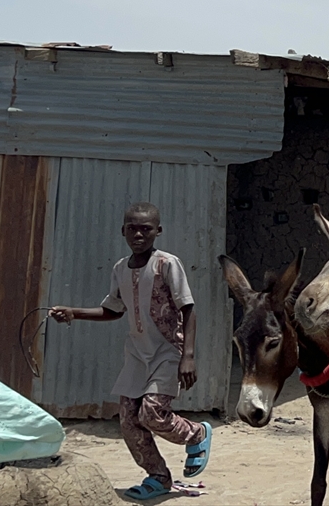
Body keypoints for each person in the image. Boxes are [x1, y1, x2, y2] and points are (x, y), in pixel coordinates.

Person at [49, 203, 211, 500]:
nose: (139, 234)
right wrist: (73, 312)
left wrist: (188, 355)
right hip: (137, 353)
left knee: (152, 413)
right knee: (128, 420)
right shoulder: (120, 268)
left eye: (146, 229)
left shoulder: (167, 264)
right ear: (123, 230)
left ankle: (196, 434)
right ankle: (158, 477)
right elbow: (113, 310)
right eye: (132, 228)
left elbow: (188, 308)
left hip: (167, 351)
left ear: (157, 231)